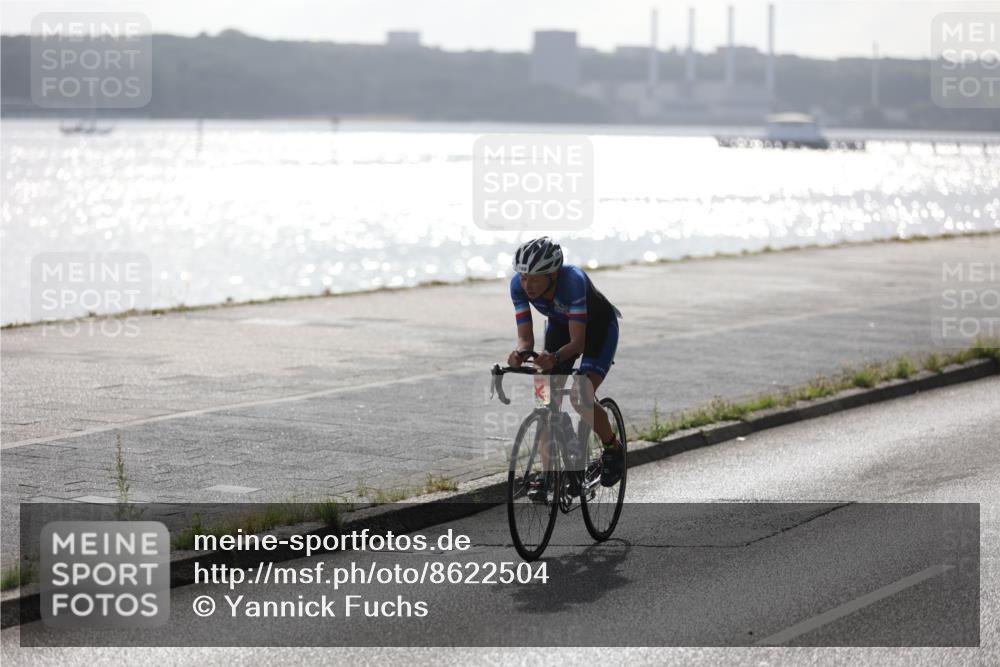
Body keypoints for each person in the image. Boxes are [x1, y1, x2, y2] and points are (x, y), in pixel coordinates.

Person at [506, 237, 624, 492]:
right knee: (544, 401)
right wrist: (519, 353)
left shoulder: (572, 281)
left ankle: (613, 449)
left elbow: (577, 344)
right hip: (560, 327)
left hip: (598, 330)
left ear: (553, 275)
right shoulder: (517, 286)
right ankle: (550, 474)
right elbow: (525, 338)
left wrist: (555, 358)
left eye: (535, 279)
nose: (527, 285)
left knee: (581, 395)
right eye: (524, 277)